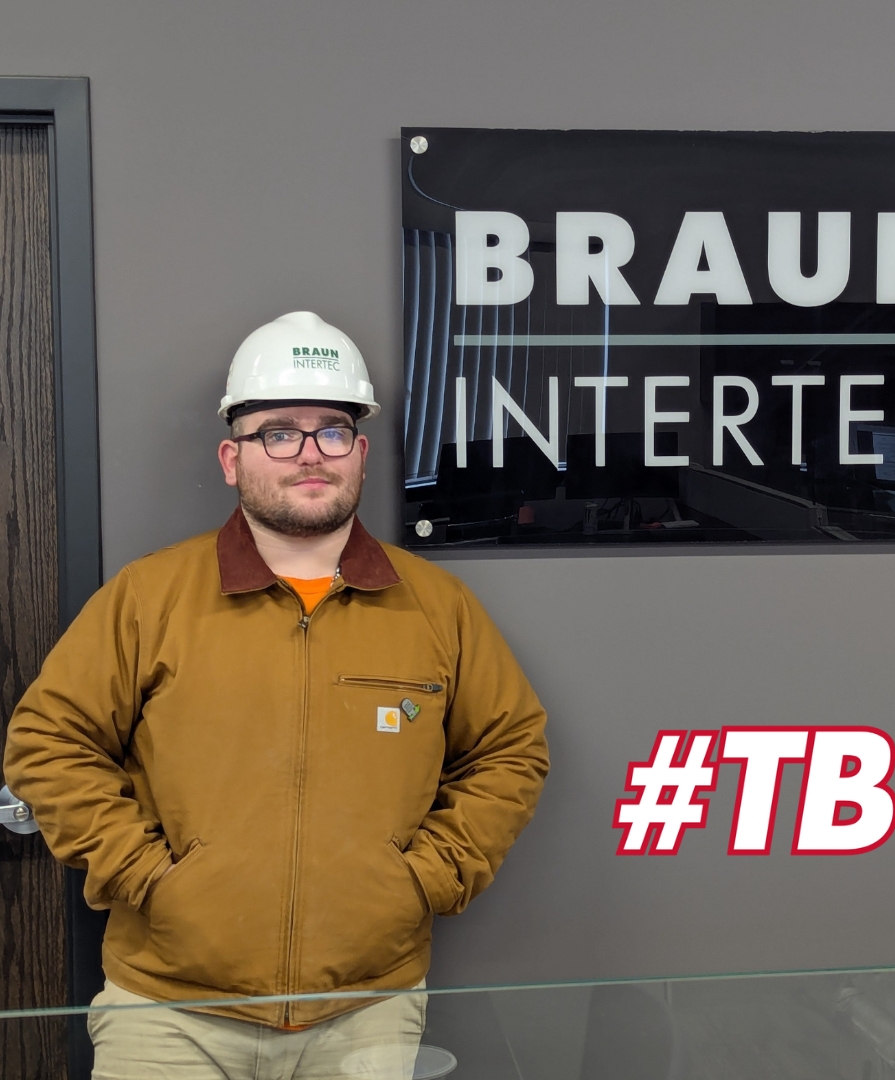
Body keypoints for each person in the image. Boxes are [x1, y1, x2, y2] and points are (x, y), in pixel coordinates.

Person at [3, 311, 549, 1079]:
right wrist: (148, 879)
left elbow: (511, 748)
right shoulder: (148, 597)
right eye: (278, 432)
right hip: (167, 1016)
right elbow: (47, 742)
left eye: (332, 431)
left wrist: (424, 878)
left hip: (367, 1011)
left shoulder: (438, 607)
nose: (308, 454)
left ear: (361, 454)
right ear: (232, 458)